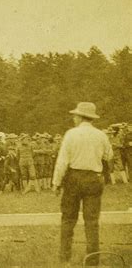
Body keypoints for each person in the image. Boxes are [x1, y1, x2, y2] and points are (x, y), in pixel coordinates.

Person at [52, 102, 113, 266]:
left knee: (68, 219)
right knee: (92, 221)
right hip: (94, 179)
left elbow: (62, 161)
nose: (73, 118)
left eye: (75, 115)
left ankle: (65, 259)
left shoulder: (71, 134)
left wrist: (56, 183)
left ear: (80, 117)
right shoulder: (101, 135)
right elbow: (109, 156)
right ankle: (93, 261)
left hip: (74, 178)